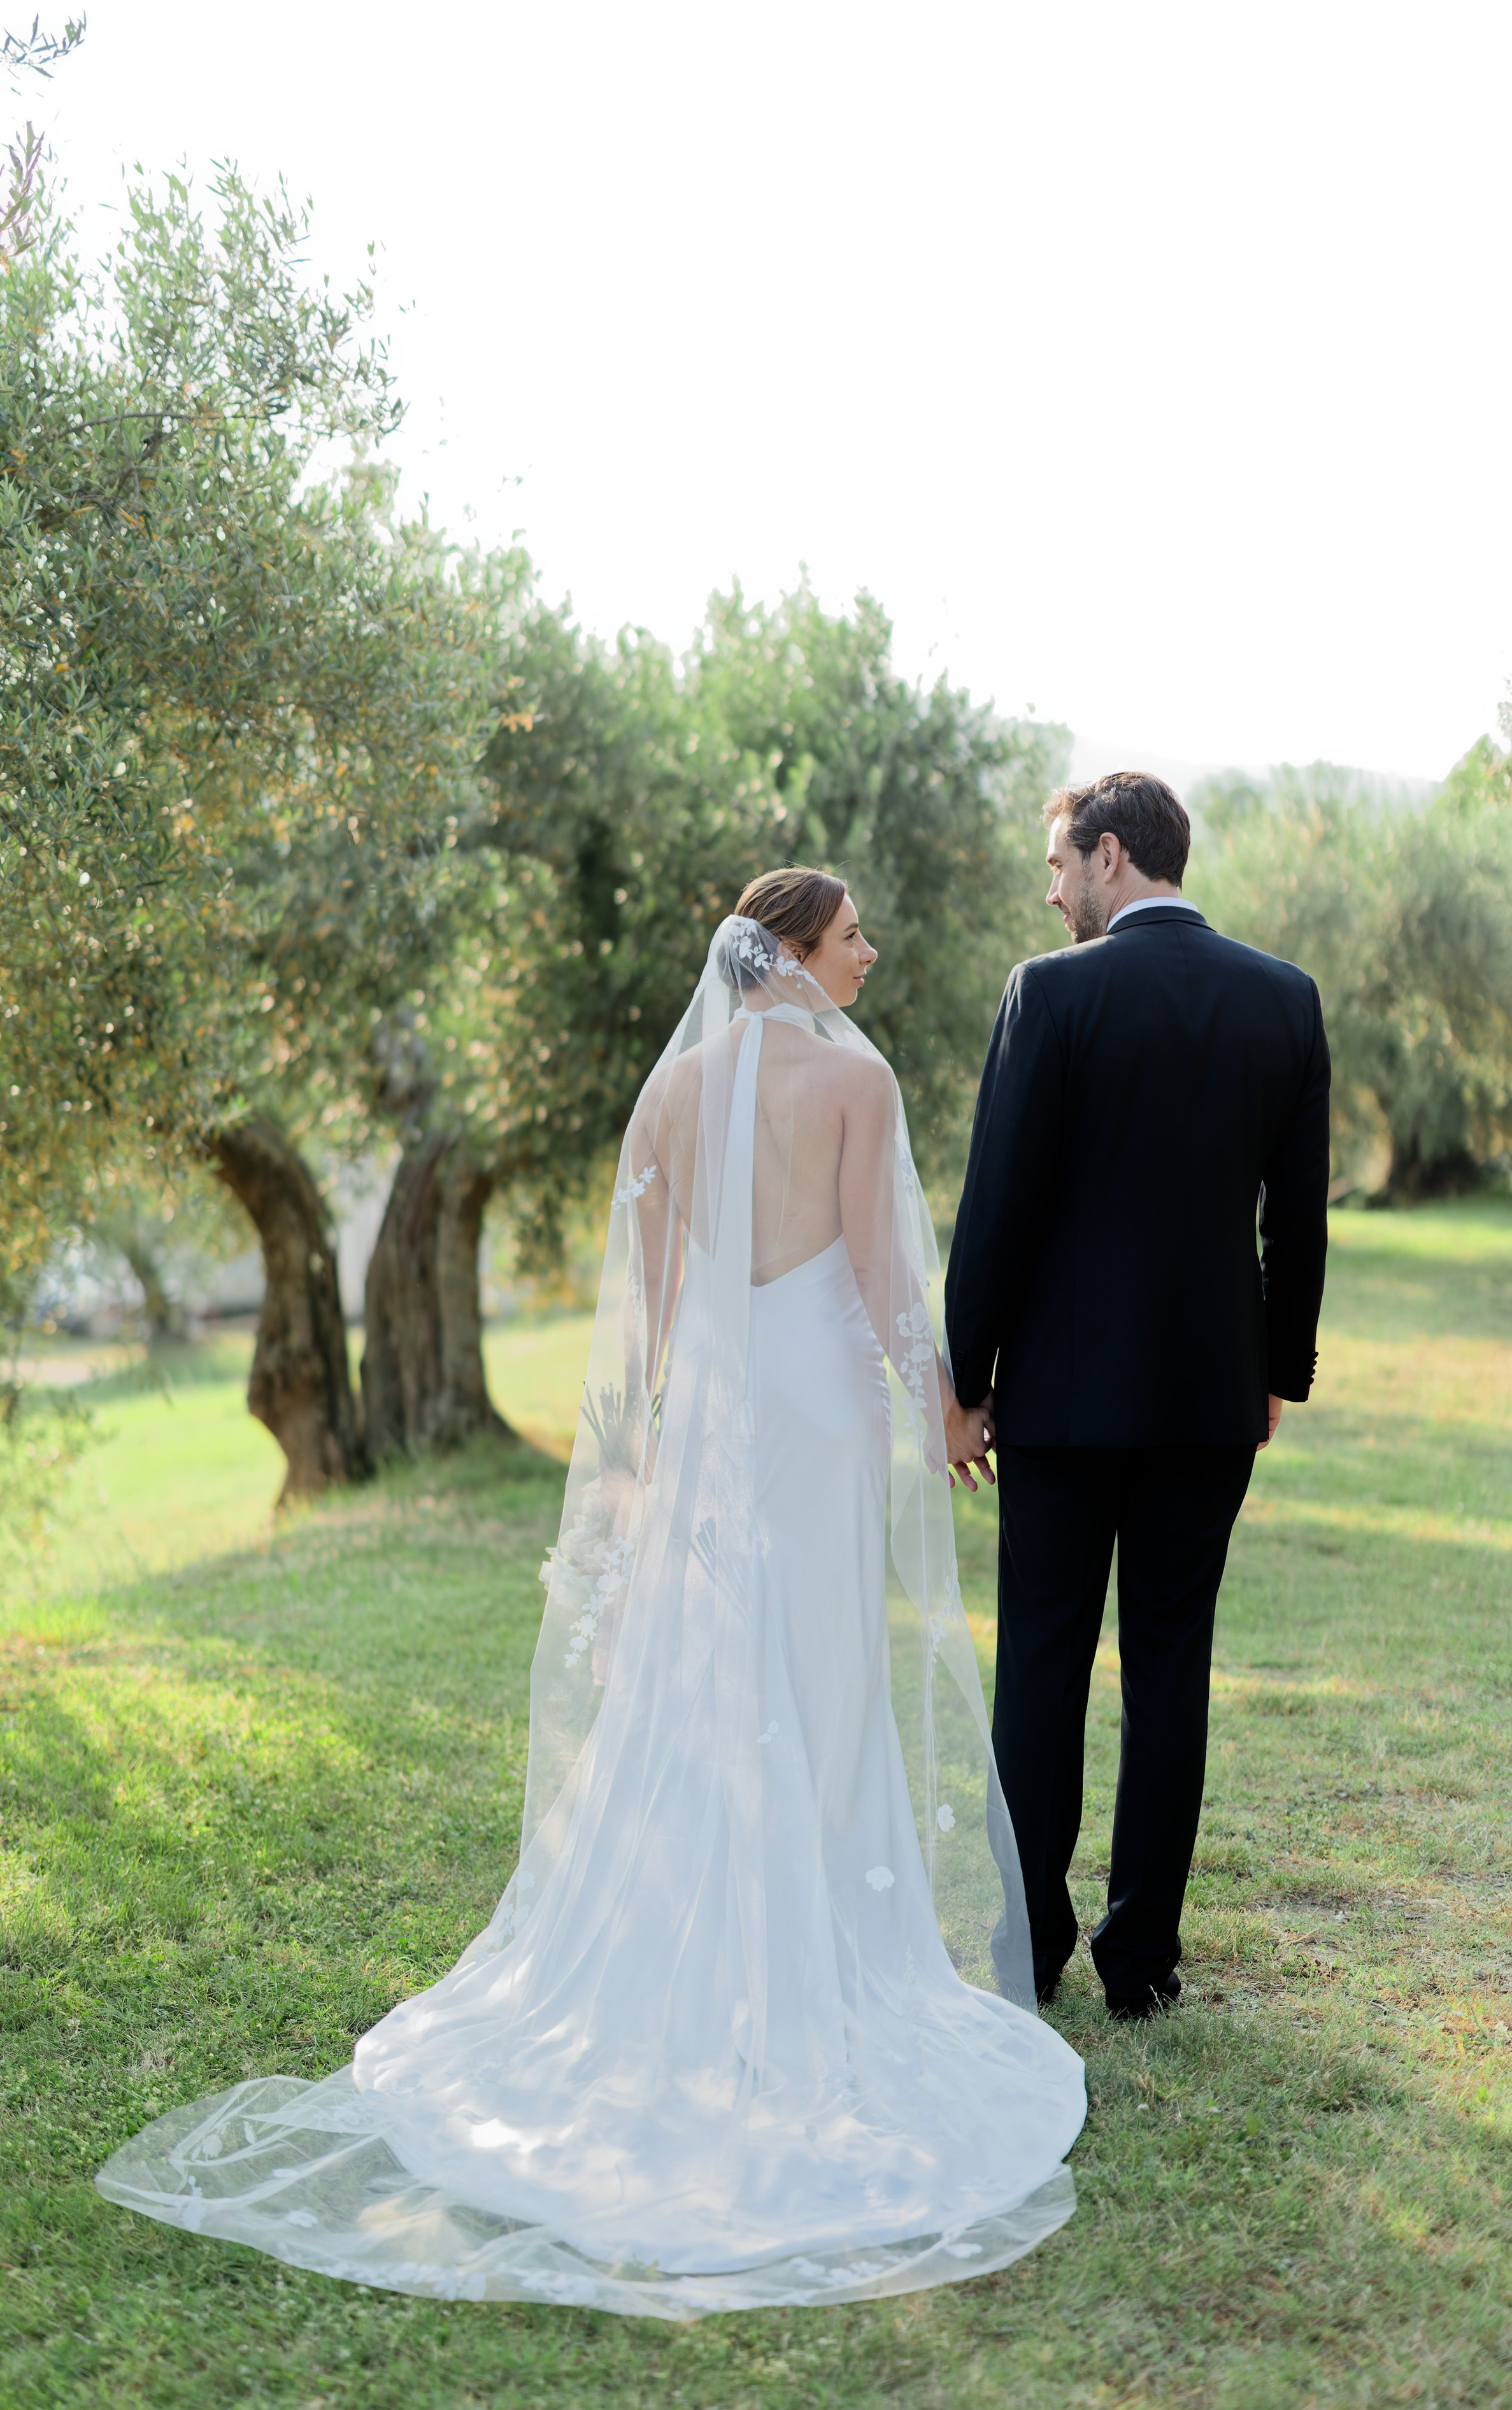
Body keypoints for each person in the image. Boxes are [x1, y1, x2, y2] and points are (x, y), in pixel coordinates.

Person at [97, 869, 1086, 2320]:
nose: (868, 954)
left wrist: (644, 1455)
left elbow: (649, 1308)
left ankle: (693, 1935)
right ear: (795, 951)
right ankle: (817, 1954)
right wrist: (942, 1409)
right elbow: (885, 1283)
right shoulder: (850, 1085)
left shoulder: (671, 1094)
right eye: (853, 934)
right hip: (811, 1409)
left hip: (713, 1409)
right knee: (816, 1665)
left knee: (708, 1666)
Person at [943, 774, 1330, 2020]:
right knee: (1171, 1669)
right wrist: (1276, 1371)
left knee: (1040, 1670)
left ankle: (1030, 1949)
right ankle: (1142, 1961)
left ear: (1109, 857)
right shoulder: (1281, 999)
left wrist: (963, 1380)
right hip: (1209, 1400)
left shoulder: (1048, 992)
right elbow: (1298, 1219)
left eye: (1058, 863)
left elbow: (995, 1206)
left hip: (1057, 1400)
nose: (1050, 888)